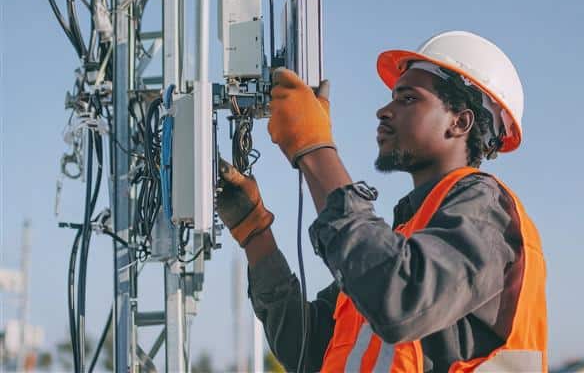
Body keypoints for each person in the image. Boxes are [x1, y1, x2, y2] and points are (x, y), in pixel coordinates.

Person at [217, 31, 547, 372]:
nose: (383, 111)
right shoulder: (401, 243)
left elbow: (400, 299)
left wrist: (315, 150)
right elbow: (306, 349)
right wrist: (255, 232)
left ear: (459, 122)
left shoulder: (486, 211)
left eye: (407, 99)